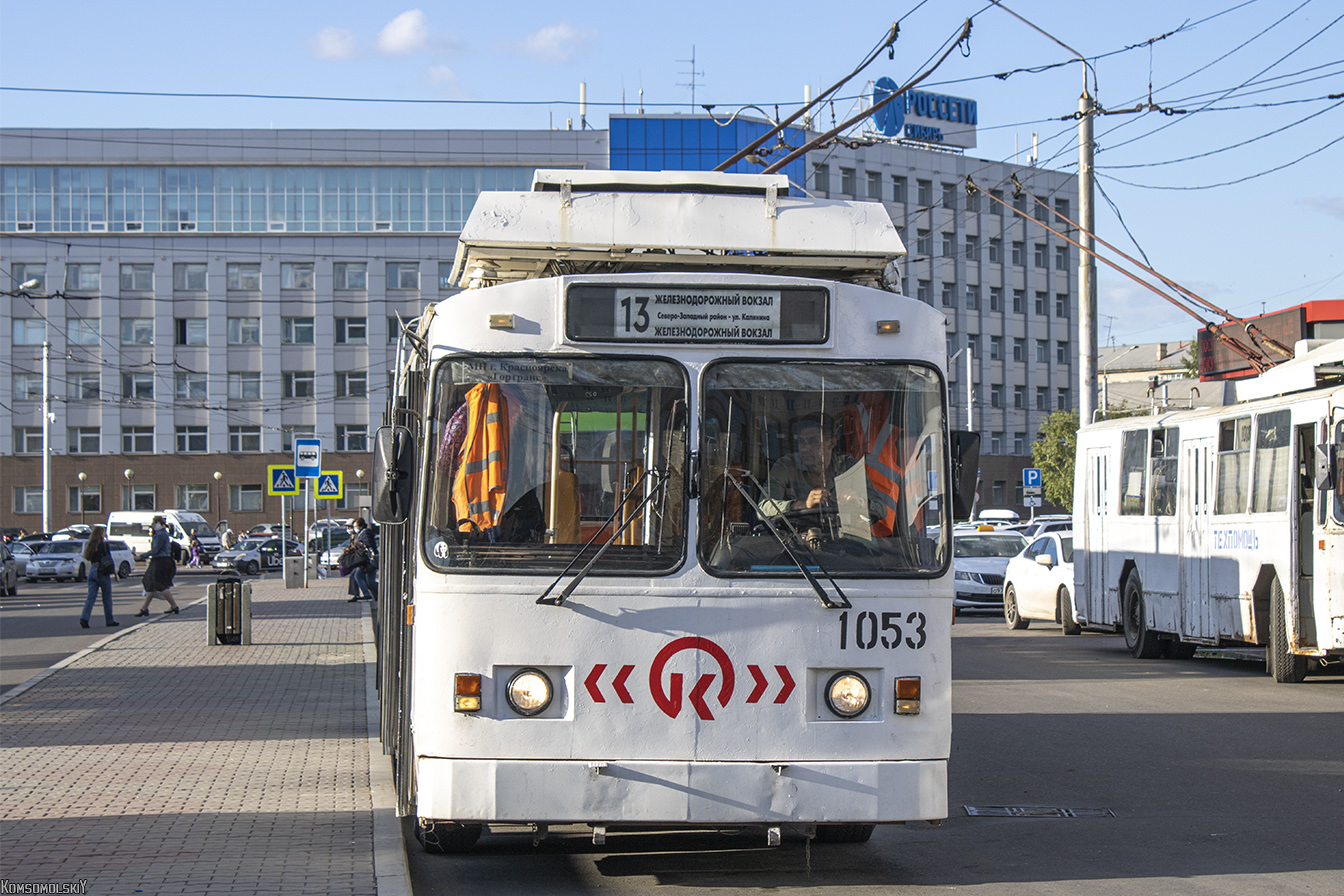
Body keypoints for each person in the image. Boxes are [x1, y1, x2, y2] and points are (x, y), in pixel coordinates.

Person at [760, 419, 855, 526]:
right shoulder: (786, 465)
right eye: (801, 442)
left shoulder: (848, 467)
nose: (805, 448)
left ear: (832, 443)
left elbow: (877, 506)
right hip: (796, 539)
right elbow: (763, 508)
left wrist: (859, 502)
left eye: (813, 441)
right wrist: (802, 504)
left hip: (845, 539)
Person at [135, 515, 180, 616]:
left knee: (159, 584)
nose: (153, 526)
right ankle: (144, 608)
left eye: (154, 523)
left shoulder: (160, 535)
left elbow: (155, 550)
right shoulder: (161, 534)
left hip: (161, 561)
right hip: (160, 560)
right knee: (151, 584)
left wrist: (141, 556)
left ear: (159, 523)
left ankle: (174, 606)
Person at [79, 525, 119, 629]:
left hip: (92, 570)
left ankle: (84, 618)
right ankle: (109, 620)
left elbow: (88, 558)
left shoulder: (91, 545)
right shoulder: (104, 545)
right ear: (101, 534)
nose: (105, 533)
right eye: (104, 532)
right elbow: (108, 560)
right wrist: (115, 574)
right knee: (106, 597)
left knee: (91, 597)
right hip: (102, 571)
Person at [347, 517, 377, 602]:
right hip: (365, 560)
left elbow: (368, 544)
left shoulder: (365, 533)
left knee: (357, 576)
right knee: (370, 581)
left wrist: (359, 544)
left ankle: (367, 594)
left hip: (366, 560)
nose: (354, 528)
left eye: (355, 526)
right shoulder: (360, 533)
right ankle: (379, 594)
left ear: (360, 526)